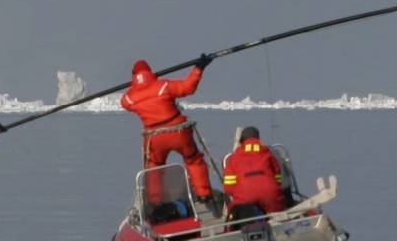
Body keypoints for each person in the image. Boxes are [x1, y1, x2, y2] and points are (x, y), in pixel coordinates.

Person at [120, 56, 216, 204]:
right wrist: (199, 68)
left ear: (134, 76)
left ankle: (155, 202)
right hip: (179, 132)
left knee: (154, 169)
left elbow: (124, 102)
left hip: (154, 139)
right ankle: (204, 194)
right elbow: (188, 87)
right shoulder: (164, 85)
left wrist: (136, 85)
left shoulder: (131, 97)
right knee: (193, 159)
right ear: (150, 72)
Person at [221, 126, 288, 219]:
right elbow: (278, 179)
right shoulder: (268, 154)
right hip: (270, 194)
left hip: (244, 198)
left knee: (237, 216)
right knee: (279, 212)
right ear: (258, 139)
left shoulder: (233, 158)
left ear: (241, 141)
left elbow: (228, 188)